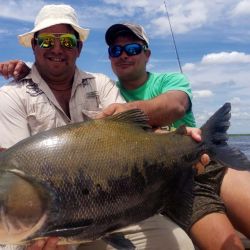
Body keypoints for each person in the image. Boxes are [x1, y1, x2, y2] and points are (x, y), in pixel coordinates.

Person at [1, 21, 250, 250]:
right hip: (155, 182)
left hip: (196, 160)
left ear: (78, 48)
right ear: (33, 46)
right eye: (45, 41)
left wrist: (170, 131)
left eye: (132, 48)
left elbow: (172, 108)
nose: (123, 56)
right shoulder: (14, 92)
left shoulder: (108, 85)